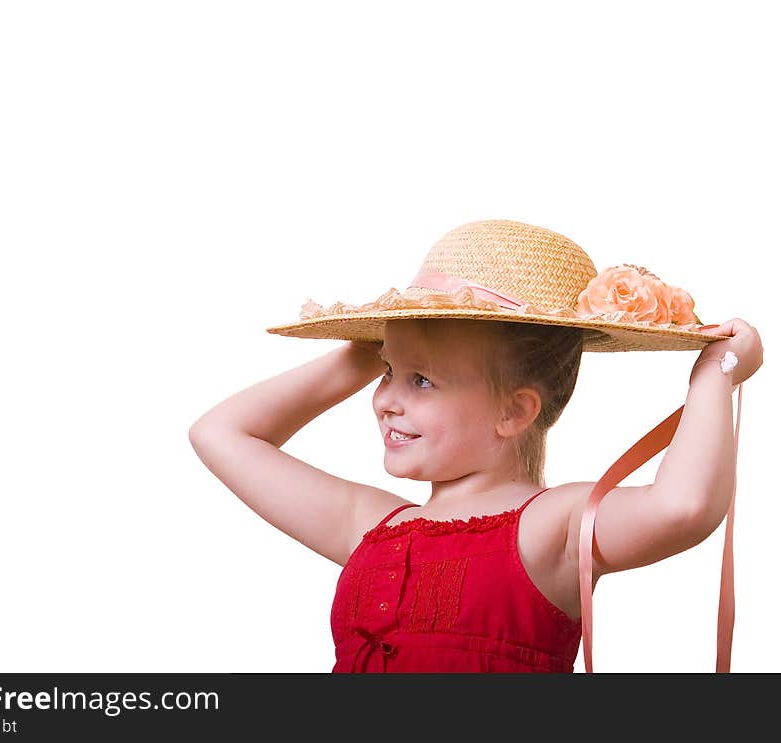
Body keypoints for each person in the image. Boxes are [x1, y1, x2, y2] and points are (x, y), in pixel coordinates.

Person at [189, 219, 762, 673]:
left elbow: (682, 506)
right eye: (387, 371)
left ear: (514, 412)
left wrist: (717, 373)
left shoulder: (550, 526)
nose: (385, 398)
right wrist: (366, 348)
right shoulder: (373, 527)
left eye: (421, 380)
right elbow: (220, 434)